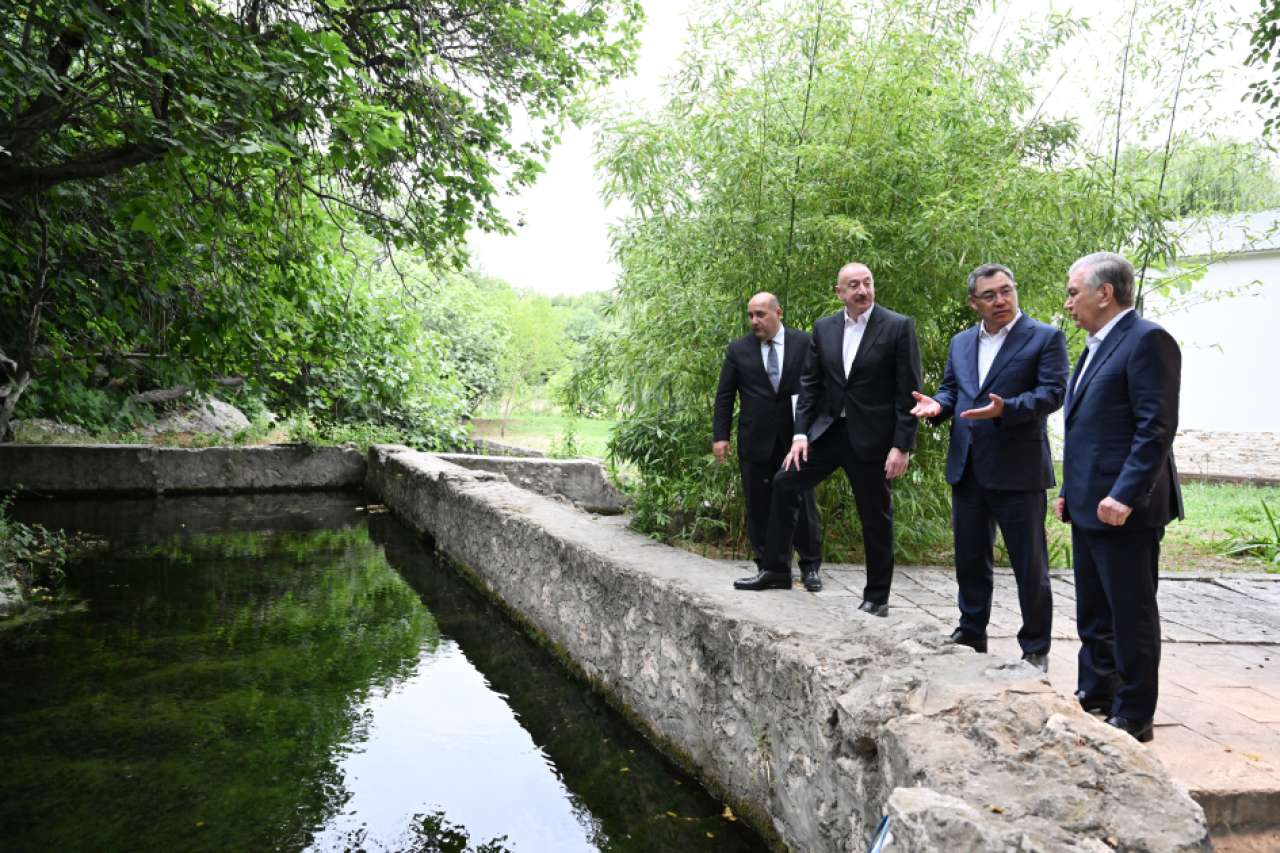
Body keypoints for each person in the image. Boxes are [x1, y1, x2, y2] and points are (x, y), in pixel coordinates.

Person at [908, 264, 1068, 673]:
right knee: (970, 558)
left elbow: (1052, 394)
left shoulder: (1044, 337)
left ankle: (1035, 647)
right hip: (968, 466)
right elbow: (952, 389)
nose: (1000, 300)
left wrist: (1005, 409)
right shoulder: (962, 342)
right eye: (990, 295)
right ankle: (971, 632)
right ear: (973, 302)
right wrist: (938, 405)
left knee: (1029, 564)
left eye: (1006, 290)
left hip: (1018, 468)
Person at [1056, 251, 1182, 744]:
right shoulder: (1094, 345)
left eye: (1074, 292)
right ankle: (1096, 692)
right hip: (1089, 503)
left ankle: (1135, 712)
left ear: (1104, 293)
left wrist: (1125, 495)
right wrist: (1069, 490)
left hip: (1125, 509)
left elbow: (1156, 428)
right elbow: (1086, 429)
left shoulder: (1147, 340)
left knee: (1131, 613)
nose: (1068, 303)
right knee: (1093, 610)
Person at [753, 262, 921, 615]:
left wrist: (902, 445)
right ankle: (776, 570)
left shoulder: (897, 326)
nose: (862, 290)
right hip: (828, 432)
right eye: (853, 285)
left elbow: (909, 392)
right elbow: (810, 385)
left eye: (867, 283)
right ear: (839, 292)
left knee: (875, 516)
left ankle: (877, 597)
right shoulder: (824, 328)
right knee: (784, 482)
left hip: (872, 439)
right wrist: (800, 434)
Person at [713, 292, 823, 591]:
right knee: (759, 505)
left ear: (778, 313)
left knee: (803, 504)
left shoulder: (805, 343)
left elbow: (819, 387)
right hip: (755, 439)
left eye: (760, 314)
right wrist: (720, 436)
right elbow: (725, 395)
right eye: (750, 315)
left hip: (796, 439)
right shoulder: (738, 349)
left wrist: (816, 431)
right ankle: (768, 568)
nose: (754, 321)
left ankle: (810, 567)